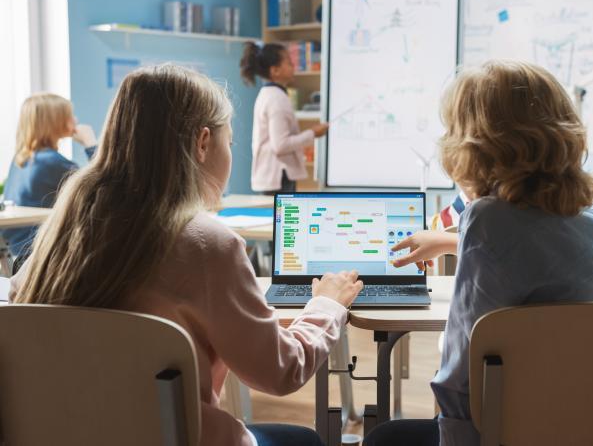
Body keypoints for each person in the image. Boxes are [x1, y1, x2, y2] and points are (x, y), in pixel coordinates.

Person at [10, 64, 363, 446]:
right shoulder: (208, 244)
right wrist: (325, 307)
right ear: (203, 142)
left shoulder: (62, 231)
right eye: (230, 142)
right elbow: (280, 372)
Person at [363, 60, 593, 446]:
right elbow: (538, 245)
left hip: (526, 429)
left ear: (472, 144)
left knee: (386, 437)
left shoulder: (486, 218)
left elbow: (461, 378)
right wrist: (452, 241)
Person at [1, 93, 97, 258]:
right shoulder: (52, 162)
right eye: (69, 115)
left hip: (15, 251)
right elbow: (99, 190)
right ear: (55, 122)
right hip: (39, 253)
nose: (75, 119)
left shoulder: (21, 159)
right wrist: (91, 144)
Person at [240, 42, 329, 194]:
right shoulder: (276, 98)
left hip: (273, 176)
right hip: (279, 176)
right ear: (275, 71)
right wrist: (313, 133)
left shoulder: (268, 94)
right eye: (288, 62)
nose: (293, 65)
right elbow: (280, 145)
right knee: (285, 218)